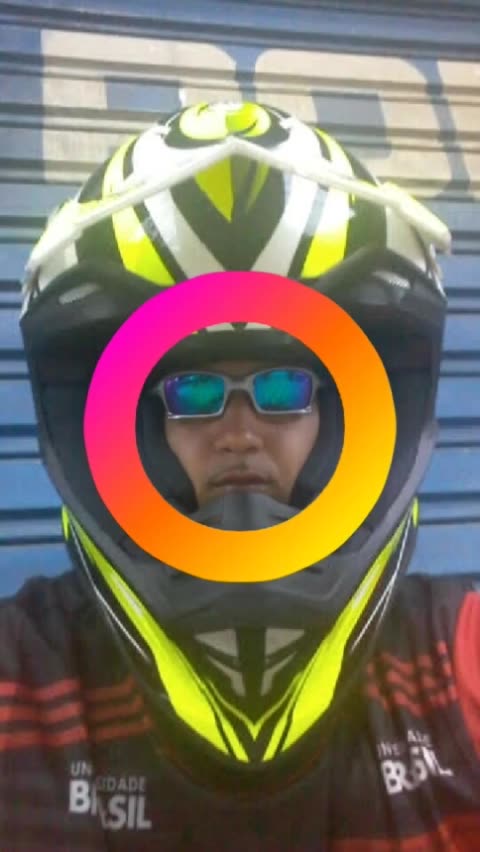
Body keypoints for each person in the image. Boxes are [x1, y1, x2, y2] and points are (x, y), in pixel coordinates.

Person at [2, 101, 479, 849]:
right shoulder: (23, 676)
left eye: (284, 389)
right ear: (134, 429)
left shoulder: (454, 657)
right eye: (193, 394)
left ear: (346, 419)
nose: (239, 433)